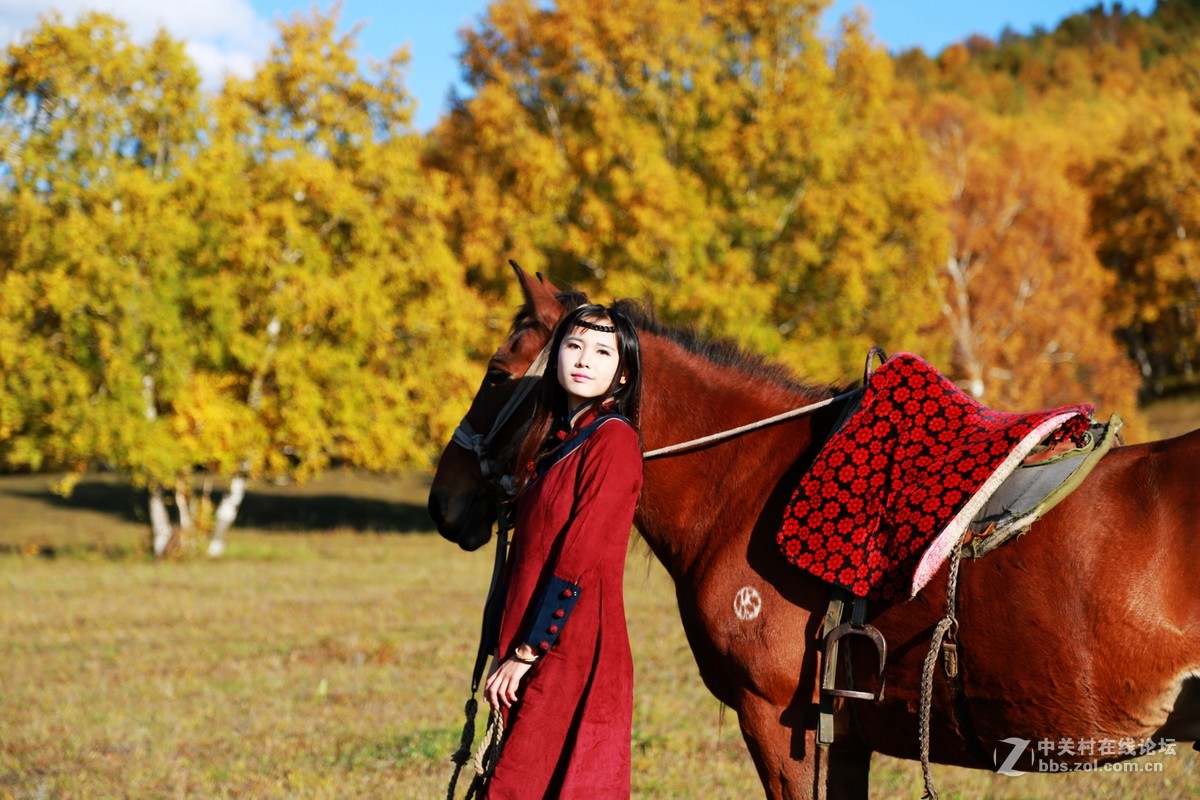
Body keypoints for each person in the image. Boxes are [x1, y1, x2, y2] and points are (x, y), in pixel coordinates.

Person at [481, 302, 644, 799]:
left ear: (621, 376)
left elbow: (579, 556)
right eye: (573, 345)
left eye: (601, 351)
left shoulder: (613, 443)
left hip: (570, 648)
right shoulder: (555, 440)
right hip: (532, 642)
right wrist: (503, 647)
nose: (583, 359)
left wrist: (528, 651)